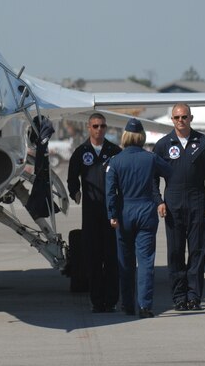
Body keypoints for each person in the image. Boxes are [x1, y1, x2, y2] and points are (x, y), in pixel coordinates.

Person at [154, 103, 205, 311]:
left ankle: (194, 296)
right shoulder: (163, 145)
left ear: (191, 118)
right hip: (172, 202)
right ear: (171, 120)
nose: (180, 121)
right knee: (175, 251)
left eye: (184, 117)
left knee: (197, 251)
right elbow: (153, 176)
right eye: (176, 118)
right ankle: (179, 297)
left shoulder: (204, 143)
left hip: (197, 199)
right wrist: (159, 201)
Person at [105, 118, 171, 318]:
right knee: (145, 262)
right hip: (146, 211)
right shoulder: (150, 158)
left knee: (125, 262)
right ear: (141, 137)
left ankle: (127, 304)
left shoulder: (115, 161)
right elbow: (170, 172)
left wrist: (112, 215)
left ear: (125, 137)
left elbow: (110, 192)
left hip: (125, 212)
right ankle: (145, 306)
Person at [67, 113, 123, 312]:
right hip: (90, 212)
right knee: (93, 258)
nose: (99, 129)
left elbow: (124, 178)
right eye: (95, 126)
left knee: (111, 258)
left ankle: (112, 300)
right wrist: (75, 192)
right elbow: (72, 176)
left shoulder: (115, 151)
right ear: (89, 128)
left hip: (111, 213)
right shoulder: (81, 152)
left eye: (102, 126)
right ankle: (97, 301)